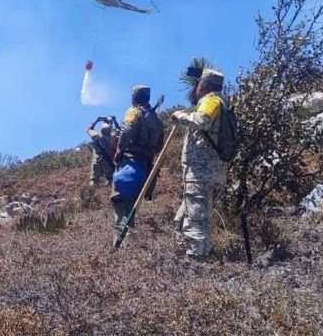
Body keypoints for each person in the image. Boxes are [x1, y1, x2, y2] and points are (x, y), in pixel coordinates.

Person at [171, 69, 228, 260]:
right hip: (208, 173)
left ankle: (197, 265)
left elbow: (202, 120)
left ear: (202, 85)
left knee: (196, 223)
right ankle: (181, 262)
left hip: (201, 173)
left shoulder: (211, 100)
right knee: (181, 220)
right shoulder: (222, 103)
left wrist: (181, 116)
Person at [110, 85, 164, 249]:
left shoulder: (133, 111)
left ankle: (125, 249)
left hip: (130, 167)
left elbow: (126, 130)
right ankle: (131, 247)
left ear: (134, 97)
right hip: (146, 170)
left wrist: (119, 150)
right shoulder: (157, 119)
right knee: (132, 207)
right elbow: (159, 146)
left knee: (122, 207)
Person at [86, 116, 120, 187]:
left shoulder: (96, 136)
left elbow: (88, 129)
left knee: (93, 181)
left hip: (97, 160)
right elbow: (118, 130)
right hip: (107, 161)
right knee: (112, 179)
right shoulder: (112, 137)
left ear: (101, 130)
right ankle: (111, 194)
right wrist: (114, 120)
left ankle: (90, 195)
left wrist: (97, 120)